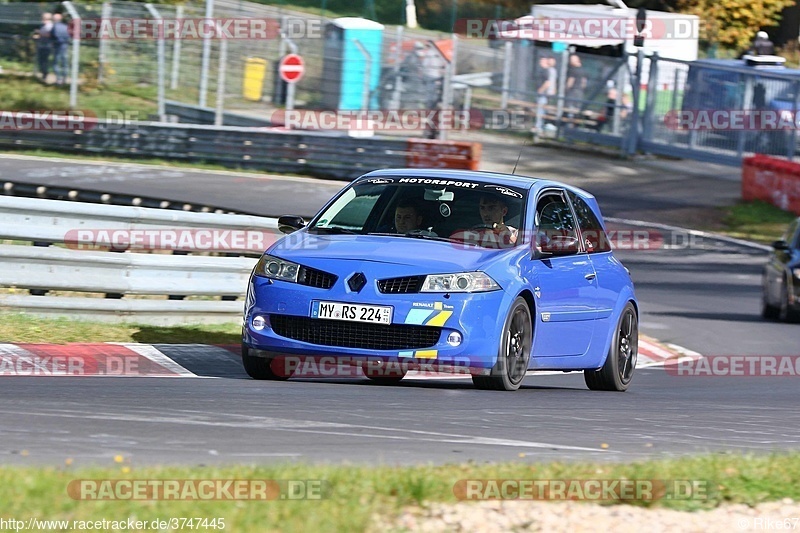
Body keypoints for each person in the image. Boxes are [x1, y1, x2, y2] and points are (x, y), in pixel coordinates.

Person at [535, 56, 557, 134]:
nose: (540, 62)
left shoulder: (547, 71)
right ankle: (539, 126)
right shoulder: (542, 70)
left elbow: (548, 83)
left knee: (541, 110)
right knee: (540, 110)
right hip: (541, 94)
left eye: (542, 61)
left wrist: (541, 90)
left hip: (543, 94)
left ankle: (539, 127)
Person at [51, 13, 71, 86]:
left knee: (56, 63)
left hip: (57, 47)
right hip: (65, 46)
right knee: (64, 63)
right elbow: (68, 36)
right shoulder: (65, 27)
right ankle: (64, 79)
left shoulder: (54, 27)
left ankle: (59, 79)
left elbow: (53, 36)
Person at [33, 13, 53, 81]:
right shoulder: (43, 26)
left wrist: (40, 33)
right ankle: (43, 73)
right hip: (41, 44)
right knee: (40, 60)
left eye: (44, 18)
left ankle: (45, 74)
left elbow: (49, 34)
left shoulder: (50, 26)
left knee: (44, 60)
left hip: (47, 45)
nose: (42, 20)